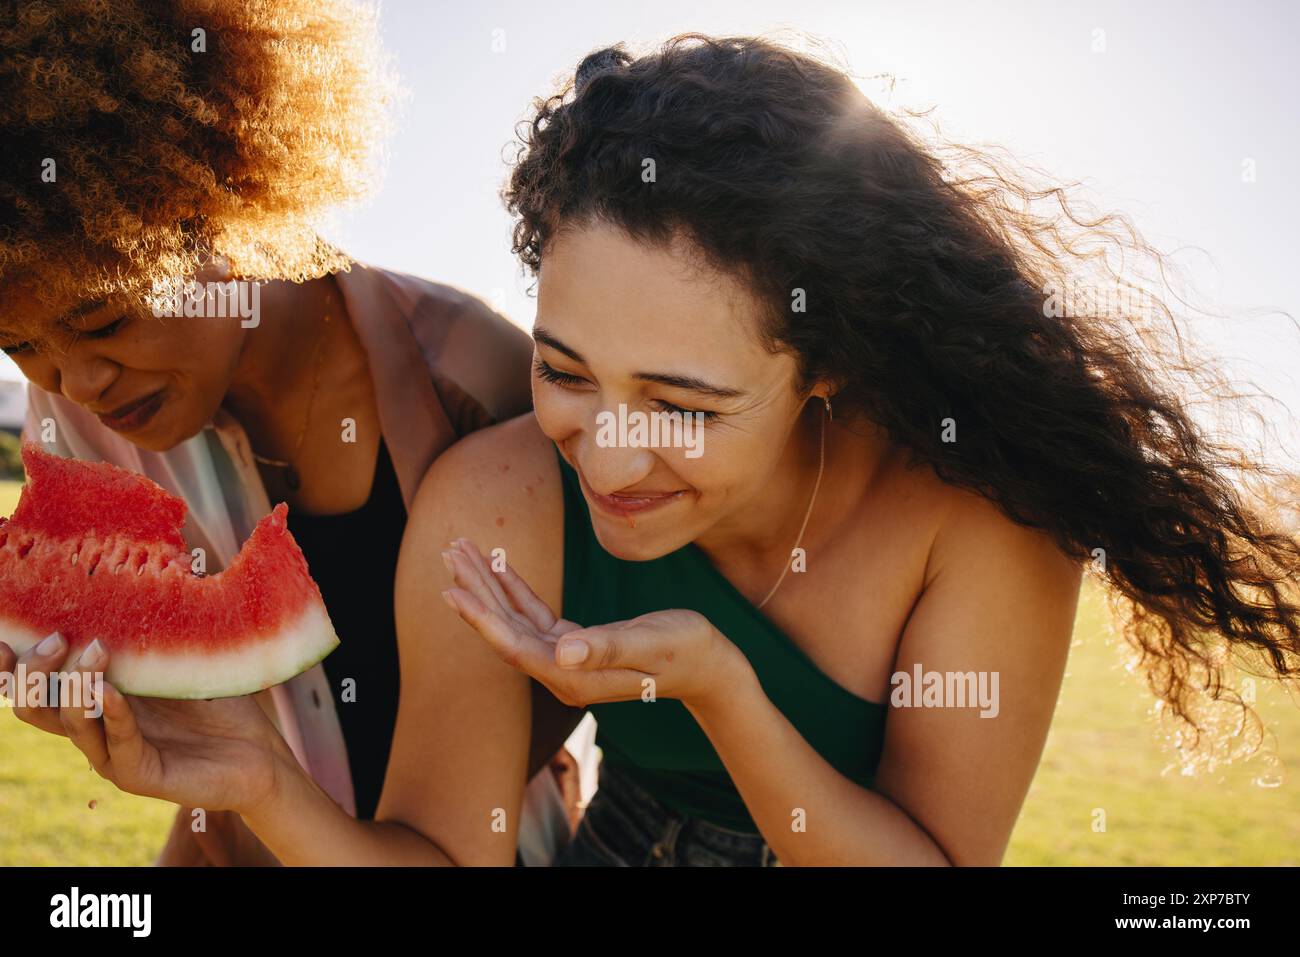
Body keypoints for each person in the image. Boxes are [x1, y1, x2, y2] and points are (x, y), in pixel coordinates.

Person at [23, 33, 1300, 867]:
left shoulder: (981, 520)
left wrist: (716, 684)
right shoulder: (497, 497)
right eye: (565, 371)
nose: (609, 452)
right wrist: (260, 784)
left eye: (682, 403)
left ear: (826, 365)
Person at [0, 0, 584, 866]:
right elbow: (214, 724)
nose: (74, 384)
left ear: (228, 205)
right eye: (21, 345)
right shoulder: (77, 412)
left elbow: (551, 688)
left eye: (107, 321)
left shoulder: (476, 377)